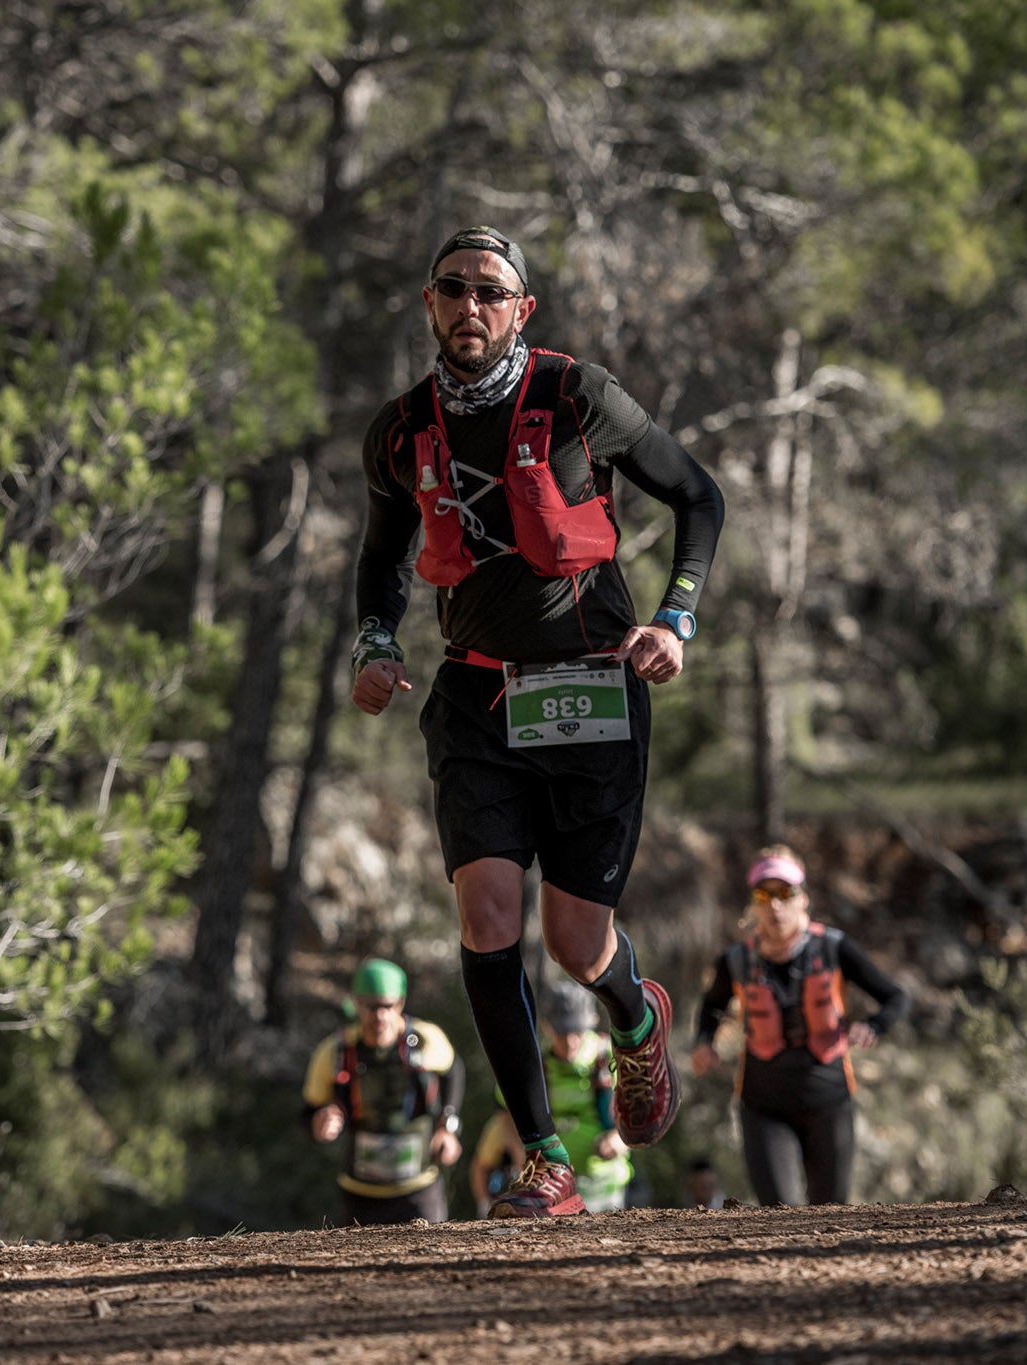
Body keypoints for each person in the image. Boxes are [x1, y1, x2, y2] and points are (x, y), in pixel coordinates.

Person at [351, 225, 725, 1218]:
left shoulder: (575, 396)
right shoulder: (399, 431)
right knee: (486, 919)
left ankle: (635, 1021)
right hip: (474, 699)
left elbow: (698, 495)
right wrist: (375, 644)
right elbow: (379, 561)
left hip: (592, 689)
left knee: (573, 943)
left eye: (489, 291)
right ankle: (544, 1159)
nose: (468, 306)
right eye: (451, 288)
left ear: (521, 310)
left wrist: (676, 616)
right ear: (427, 305)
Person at [689, 847, 910, 1207]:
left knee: (830, 1212)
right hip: (764, 1107)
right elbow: (711, 1006)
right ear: (754, 904)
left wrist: (873, 1026)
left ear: (803, 899)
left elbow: (895, 997)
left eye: (784, 893)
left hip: (829, 1102)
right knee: (779, 1215)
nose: (775, 905)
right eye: (764, 895)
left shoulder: (834, 948)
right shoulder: (736, 960)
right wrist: (704, 1042)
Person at [301, 958, 466, 1226]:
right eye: (370, 1006)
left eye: (387, 1006)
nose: (379, 1016)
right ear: (356, 1003)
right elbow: (309, 1110)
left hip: (419, 1189)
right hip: (360, 1192)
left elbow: (454, 1070)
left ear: (400, 1003)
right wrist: (320, 1122)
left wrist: (448, 1126)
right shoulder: (334, 1052)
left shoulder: (425, 1039)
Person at [468, 981, 631, 1215]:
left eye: (577, 1032)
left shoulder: (610, 1059)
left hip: (606, 1185)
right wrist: (521, 1155)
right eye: (562, 1033)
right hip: (551, 1189)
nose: (570, 1042)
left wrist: (620, 1139)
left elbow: (639, 1112)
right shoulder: (535, 1068)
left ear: (593, 1021)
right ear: (547, 1027)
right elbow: (506, 1115)